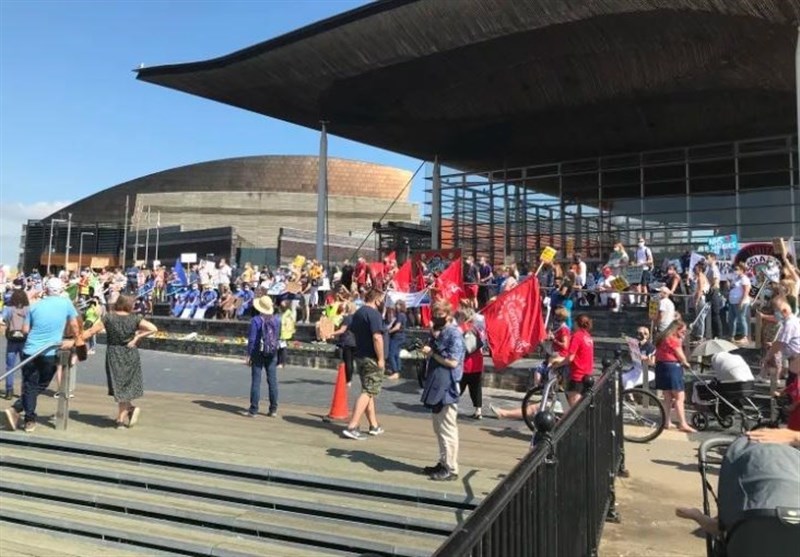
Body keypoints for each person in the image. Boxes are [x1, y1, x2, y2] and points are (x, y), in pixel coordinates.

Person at [3, 278, 82, 433]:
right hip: (49, 351)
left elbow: (25, 330)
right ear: (61, 290)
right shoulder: (66, 304)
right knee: (41, 384)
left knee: (29, 385)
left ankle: (28, 418)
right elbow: (74, 325)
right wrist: (75, 339)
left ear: (45, 290)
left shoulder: (34, 306)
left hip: (30, 350)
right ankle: (20, 411)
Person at [80, 295, 157, 428]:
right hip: (130, 352)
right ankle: (130, 409)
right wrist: (137, 337)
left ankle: (120, 419)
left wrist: (77, 338)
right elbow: (153, 328)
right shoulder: (135, 318)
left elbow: (92, 331)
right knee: (124, 385)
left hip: (114, 353)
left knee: (118, 385)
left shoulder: (109, 317)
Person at [420, 300, 465, 481]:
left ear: (448, 315)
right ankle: (443, 460)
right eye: (434, 314)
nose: (435, 318)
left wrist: (433, 354)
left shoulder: (454, 334)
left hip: (448, 386)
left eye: (439, 315)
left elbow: (453, 362)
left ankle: (451, 468)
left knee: (447, 428)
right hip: (437, 383)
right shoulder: (440, 333)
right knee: (438, 427)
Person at [342, 289, 386, 440]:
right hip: (371, 358)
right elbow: (377, 337)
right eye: (382, 299)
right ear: (377, 300)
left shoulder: (359, 312)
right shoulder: (374, 314)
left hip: (360, 355)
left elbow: (353, 331)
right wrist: (381, 358)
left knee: (369, 390)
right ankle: (353, 426)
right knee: (368, 391)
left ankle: (374, 425)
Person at [654, 320, 696, 432]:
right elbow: (680, 355)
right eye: (683, 331)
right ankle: (683, 423)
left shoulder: (663, 338)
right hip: (672, 367)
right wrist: (686, 363)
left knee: (667, 396)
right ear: (676, 329)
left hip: (661, 367)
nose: (684, 333)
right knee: (679, 397)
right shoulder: (673, 339)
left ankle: (666, 421)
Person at [244, 295, 282, 418]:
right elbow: (277, 337)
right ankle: (273, 409)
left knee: (256, 381)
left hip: (257, 353)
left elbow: (252, 339)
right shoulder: (277, 320)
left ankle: (253, 409)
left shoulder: (256, 320)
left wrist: (249, 354)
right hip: (272, 353)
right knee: (272, 381)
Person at [553, 313, 595, 407]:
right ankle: (564, 411)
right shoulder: (588, 337)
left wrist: (558, 365)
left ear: (576, 323)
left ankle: (567, 416)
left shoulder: (577, 336)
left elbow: (570, 358)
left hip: (577, 375)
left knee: (573, 408)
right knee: (578, 404)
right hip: (587, 374)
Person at [456, 304, 484, 419]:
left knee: (458, 386)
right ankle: (478, 410)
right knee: (476, 388)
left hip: (465, 364)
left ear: (463, 317)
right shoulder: (477, 329)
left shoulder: (461, 328)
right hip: (477, 363)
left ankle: (451, 407)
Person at [1, 288, 30, 400]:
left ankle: (9, 390)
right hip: (24, 339)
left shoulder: (8, 309)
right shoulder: (28, 309)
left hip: (12, 339)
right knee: (26, 366)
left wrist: (7, 323)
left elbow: (2, 319)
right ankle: (24, 391)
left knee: (10, 366)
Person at [331, 302, 357, 386]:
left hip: (347, 341)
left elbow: (342, 330)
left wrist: (332, 333)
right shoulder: (357, 318)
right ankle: (349, 379)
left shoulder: (347, 318)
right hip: (355, 341)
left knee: (347, 361)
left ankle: (348, 379)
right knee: (351, 361)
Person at [728, 263, 752, 344]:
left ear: (742, 270)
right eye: (735, 269)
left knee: (741, 318)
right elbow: (732, 288)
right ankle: (732, 336)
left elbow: (746, 292)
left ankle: (745, 337)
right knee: (731, 319)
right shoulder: (736, 278)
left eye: (737, 269)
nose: (735, 270)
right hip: (732, 302)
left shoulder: (744, 279)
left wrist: (741, 301)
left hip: (741, 302)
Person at [386, 299, 408, 380]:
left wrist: (389, 331)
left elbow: (397, 327)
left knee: (391, 354)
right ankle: (397, 370)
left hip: (397, 337)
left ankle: (395, 371)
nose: (395, 306)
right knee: (396, 354)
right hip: (401, 337)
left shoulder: (400, 315)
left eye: (397, 305)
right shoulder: (401, 315)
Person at [691, 261, 711, 342]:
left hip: (701, 299)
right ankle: (697, 334)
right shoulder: (700, 276)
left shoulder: (701, 277)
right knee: (699, 318)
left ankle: (700, 336)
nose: (695, 268)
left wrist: (696, 300)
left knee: (700, 318)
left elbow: (700, 290)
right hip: (701, 299)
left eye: (696, 267)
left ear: (700, 269)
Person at [634, 237, 654, 305]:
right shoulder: (636, 250)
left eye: (641, 241)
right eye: (639, 241)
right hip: (637, 270)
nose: (640, 243)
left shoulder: (647, 249)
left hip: (645, 269)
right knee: (637, 286)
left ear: (644, 242)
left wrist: (642, 263)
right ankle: (638, 301)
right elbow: (636, 260)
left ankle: (644, 301)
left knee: (644, 286)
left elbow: (651, 260)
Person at [278, 298, 296, 369]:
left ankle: (282, 362)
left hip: (284, 333)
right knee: (279, 348)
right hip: (280, 332)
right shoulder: (283, 312)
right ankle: (279, 362)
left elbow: (286, 323)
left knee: (283, 348)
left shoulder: (288, 313)